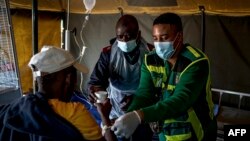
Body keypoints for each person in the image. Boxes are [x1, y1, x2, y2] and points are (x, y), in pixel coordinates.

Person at [111, 13, 218, 141]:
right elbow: (144, 94)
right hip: (166, 131)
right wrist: (129, 115)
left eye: (164, 37)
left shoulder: (195, 62)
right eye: (155, 39)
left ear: (179, 36)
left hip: (197, 132)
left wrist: (139, 115)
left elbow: (180, 101)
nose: (159, 44)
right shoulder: (151, 60)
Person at [0, 46, 115, 141]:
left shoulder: (12, 109)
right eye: (75, 76)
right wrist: (105, 118)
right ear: (68, 79)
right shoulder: (75, 113)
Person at [87, 14, 154, 140]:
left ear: (138, 35)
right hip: (116, 110)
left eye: (128, 36)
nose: (124, 41)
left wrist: (137, 99)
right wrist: (94, 91)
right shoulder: (109, 54)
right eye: (120, 37)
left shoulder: (150, 53)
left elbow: (157, 85)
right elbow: (96, 81)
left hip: (141, 111)